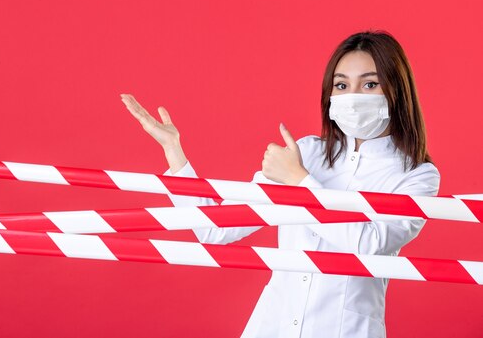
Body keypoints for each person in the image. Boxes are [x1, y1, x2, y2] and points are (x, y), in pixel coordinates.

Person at [120, 30, 440, 338]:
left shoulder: (417, 175)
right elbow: (216, 230)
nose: (352, 97)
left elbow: (367, 245)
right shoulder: (306, 152)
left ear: (397, 91)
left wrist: (300, 182)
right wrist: (174, 152)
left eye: (370, 84)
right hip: (271, 326)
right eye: (341, 85)